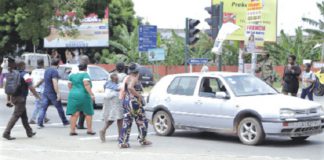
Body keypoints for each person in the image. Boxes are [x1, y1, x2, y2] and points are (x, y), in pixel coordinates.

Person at [3, 58, 40, 140]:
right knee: (16, 115)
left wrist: (8, 99)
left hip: (14, 97)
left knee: (24, 116)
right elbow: (31, 87)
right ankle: (6, 132)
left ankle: (29, 131)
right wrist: (37, 96)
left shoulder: (11, 73)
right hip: (21, 99)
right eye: (25, 65)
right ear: (22, 66)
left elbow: (7, 87)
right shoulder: (25, 74)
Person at [118, 63, 152, 148]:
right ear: (137, 71)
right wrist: (139, 95)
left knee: (127, 122)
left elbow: (124, 89)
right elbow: (130, 87)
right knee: (142, 121)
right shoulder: (133, 78)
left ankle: (123, 142)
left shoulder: (127, 78)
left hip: (127, 102)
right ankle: (142, 139)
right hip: (134, 103)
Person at [37, 58, 69, 128]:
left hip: (45, 92)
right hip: (52, 93)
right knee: (59, 107)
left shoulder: (47, 70)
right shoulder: (54, 71)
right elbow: (55, 82)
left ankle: (39, 123)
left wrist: (37, 85)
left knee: (43, 108)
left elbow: (43, 79)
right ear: (58, 65)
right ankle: (65, 121)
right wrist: (58, 93)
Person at [66, 63, 96, 136]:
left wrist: (73, 91)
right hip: (83, 95)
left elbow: (69, 85)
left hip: (73, 94)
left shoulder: (72, 75)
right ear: (86, 68)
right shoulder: (85, 75)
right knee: (88, 112)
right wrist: (91, 94)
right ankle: (89, 130)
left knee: (74, 113)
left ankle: (72, 130)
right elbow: (86, 84)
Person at [100, 73, 123, 142]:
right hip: (115, 102)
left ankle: (120, 135)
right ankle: (119, 135)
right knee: (119, 118)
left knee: (112, 117)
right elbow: (120, 89)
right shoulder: (116, 86)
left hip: (108, 102)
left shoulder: (107, 84)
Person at [29, 59, 50, 124]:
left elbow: (31, 80)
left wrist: (33, 87)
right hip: (42, 90)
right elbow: (42, 80)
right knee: (39, 105)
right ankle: (32, 118)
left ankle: (45, 117)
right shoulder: (45, 71)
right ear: (43, 64)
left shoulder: (33, 71)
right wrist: (36, 86)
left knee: (42, 103)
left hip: (35, 90)